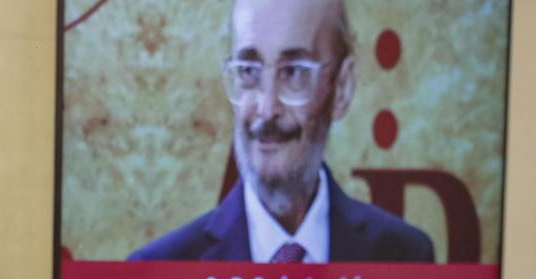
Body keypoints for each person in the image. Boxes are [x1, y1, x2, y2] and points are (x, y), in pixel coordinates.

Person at [129, 0, 434, 263]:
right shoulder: (165, 272)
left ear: (342, 88)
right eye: (249, 71)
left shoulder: (404, 258)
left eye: (294, 72)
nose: (266, 108)